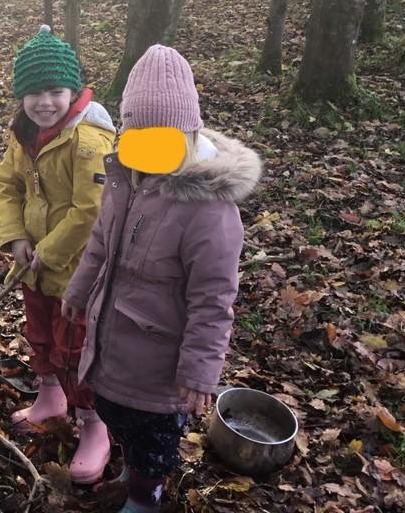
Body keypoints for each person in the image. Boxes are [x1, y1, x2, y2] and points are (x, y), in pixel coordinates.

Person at [61, 45, 262, 512]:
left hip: (161, 366)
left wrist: (199, 369)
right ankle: (132, 471)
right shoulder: (123, 182)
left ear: (187, 134)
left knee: (153, 442)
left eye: (163, 137)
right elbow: (99, 244)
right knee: (120, 418)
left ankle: (145, 497)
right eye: (138, 133)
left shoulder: (208, 211)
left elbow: (213, 298)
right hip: (115, 345)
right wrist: (77, 289)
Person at [0, 24, 116, 484]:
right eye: (33, 93)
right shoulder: (23, 133)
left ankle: (95, 425)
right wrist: (17, 237)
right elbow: (7, 185)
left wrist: (47, 250)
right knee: (40, 332)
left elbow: (91, 208)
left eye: (54, 91)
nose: (44, 102)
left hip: (78, 271)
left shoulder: (89, 138)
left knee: (76, 349)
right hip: (34, 266)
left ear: (73, 90)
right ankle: (49, 397)